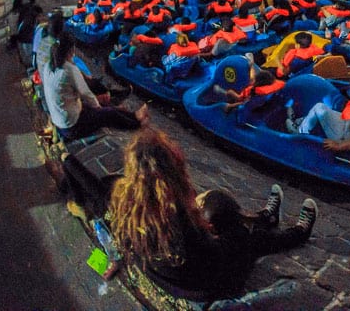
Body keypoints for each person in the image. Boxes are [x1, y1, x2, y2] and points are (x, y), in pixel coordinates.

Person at [59, 128, 317, 300]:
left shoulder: (125, 203)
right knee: (242, 233)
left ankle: (264, 219)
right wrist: (221, 232)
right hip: (205, 285)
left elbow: (90, 185)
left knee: (220, 212)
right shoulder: (176, 218)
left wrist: (66, 158)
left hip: (169, 278)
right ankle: (296, 233)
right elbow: (216, 254)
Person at [42, 34, 148, 140]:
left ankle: (133, 115)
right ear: (71, 50)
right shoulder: (68, 70)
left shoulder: (48, 65)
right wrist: (98, 108)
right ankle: (137, 123)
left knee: (105, 106)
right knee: (108, 113)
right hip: (72, 127)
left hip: (62, 120)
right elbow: (86, 93)